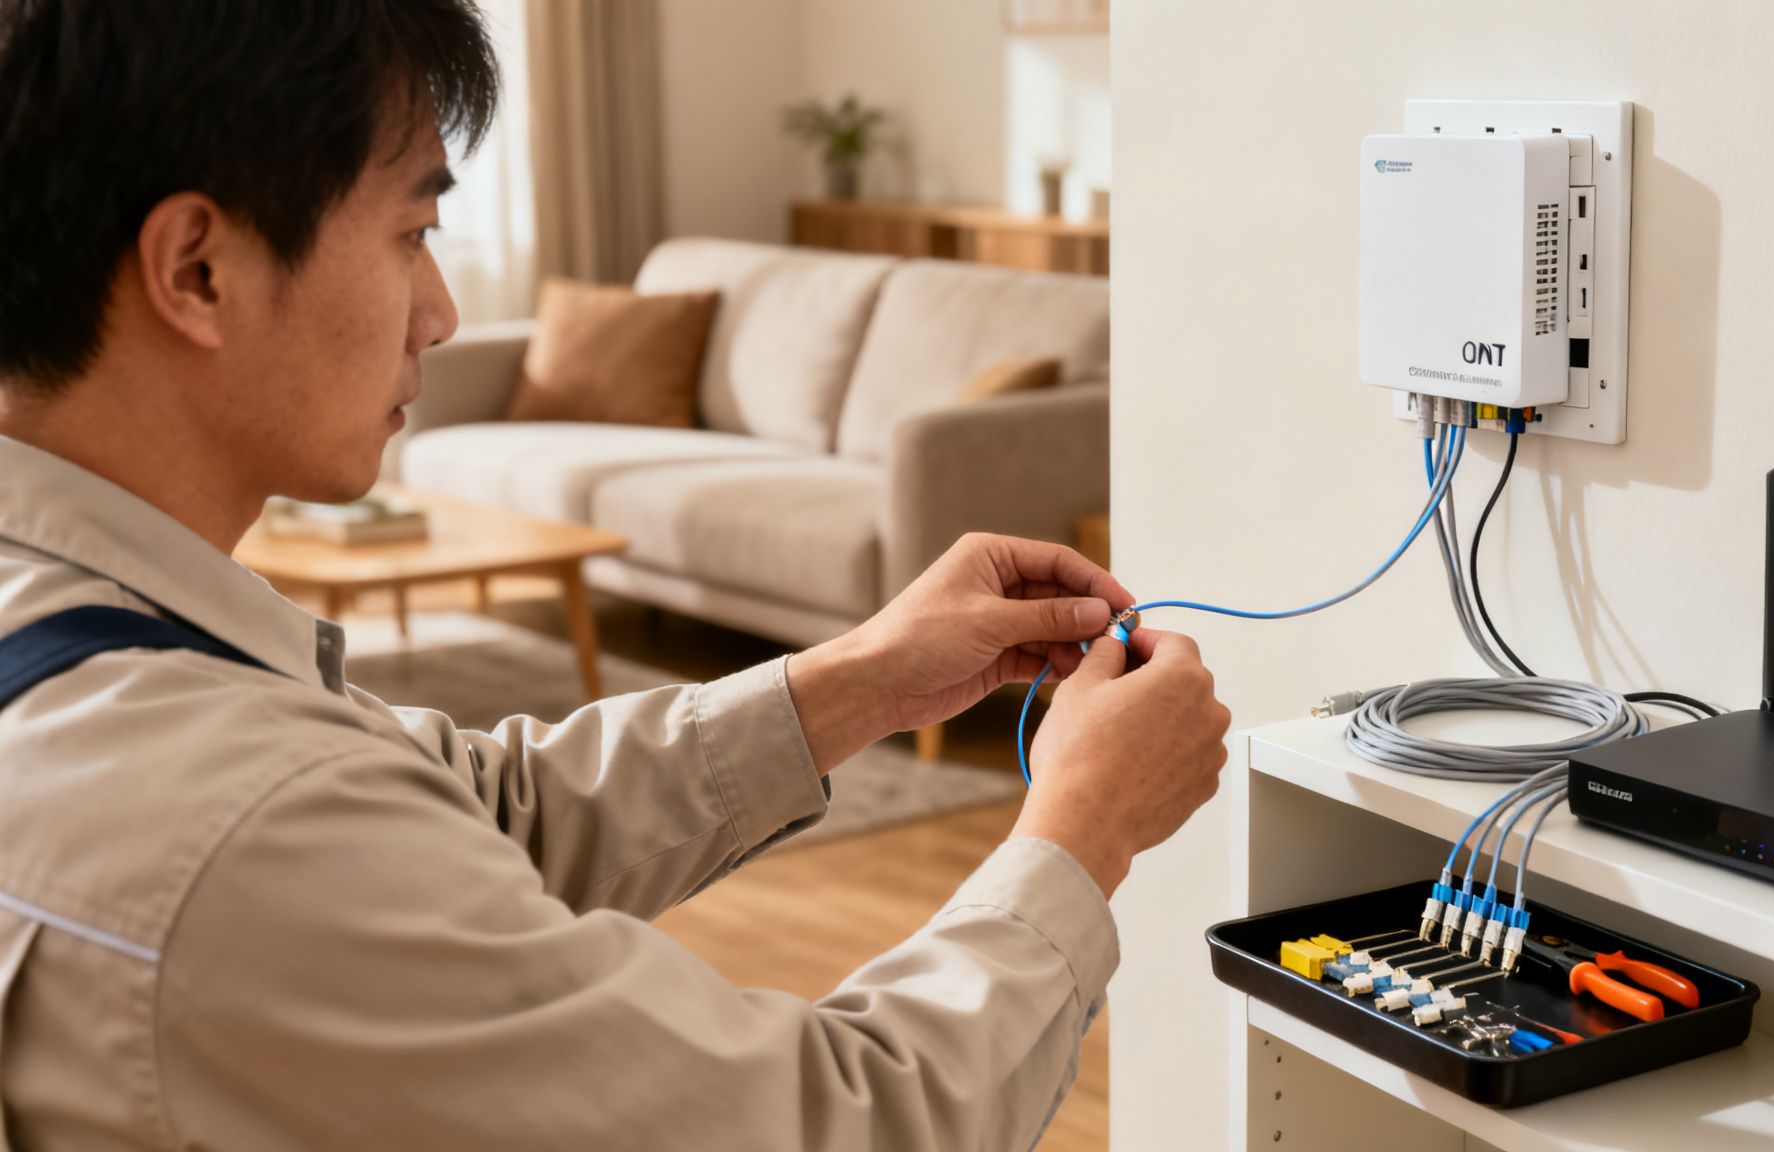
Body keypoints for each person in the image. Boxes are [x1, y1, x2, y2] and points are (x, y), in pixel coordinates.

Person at [0, 2, 1230, 1147]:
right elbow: (833, 1121)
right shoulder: (249, 825)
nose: (438, 312)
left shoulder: (95, 642)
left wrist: (863, 676)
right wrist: (1080, 831)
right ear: (196, 269)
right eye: (413, 232)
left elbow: (479, 816)